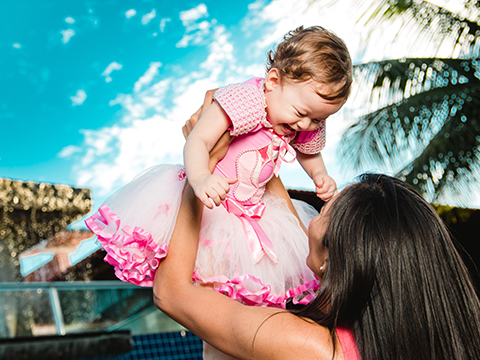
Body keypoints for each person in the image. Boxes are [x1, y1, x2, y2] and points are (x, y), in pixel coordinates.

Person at [85, 25, 352, 309]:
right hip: (213, 202)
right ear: (273, 81)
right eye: (301, 114)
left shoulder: (298, 117)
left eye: (317, 120)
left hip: (253, 211)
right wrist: (200, 178)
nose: (305, 126)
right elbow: (198, 139)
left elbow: (309, 150)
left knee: (245, 289)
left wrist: (319, 174)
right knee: (205, 282)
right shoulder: (246, 100)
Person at [153, 173, 480, 360]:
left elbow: (172, 293)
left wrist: (200, 176)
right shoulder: (432, 336)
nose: (311, 217)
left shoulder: (311, 346)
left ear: (332, 262)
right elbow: (293, 229)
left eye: (323, 213)